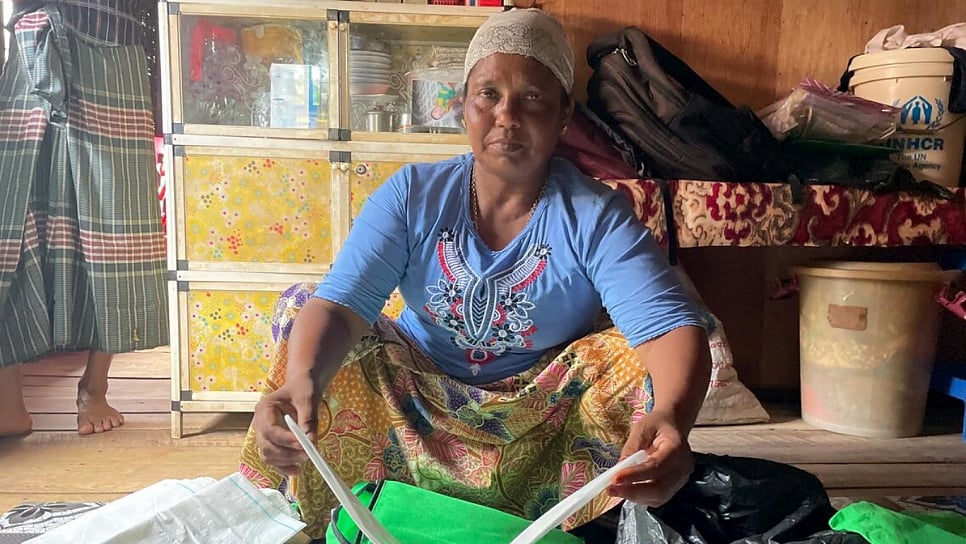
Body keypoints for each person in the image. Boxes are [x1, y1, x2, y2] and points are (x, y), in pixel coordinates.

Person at [241, 8, 711, 539]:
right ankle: (343, 512)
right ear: (463, 107)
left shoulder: (595, 214)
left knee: (631, 361)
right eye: (488, 94)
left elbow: (668, 325)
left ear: (563, 115)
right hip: (413, 400)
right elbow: (340, 304)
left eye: (532, 97)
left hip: (537, 415)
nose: (506, 114)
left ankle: (572, 522)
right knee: (305, 314)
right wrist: (300, 380)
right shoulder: (413, 195)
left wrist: (672, 415)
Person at [0, 0, 168, 436]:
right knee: (12, 213)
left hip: (119, 36)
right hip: (35, 32)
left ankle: (94, 386)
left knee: (119, 221)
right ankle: (6, 397)